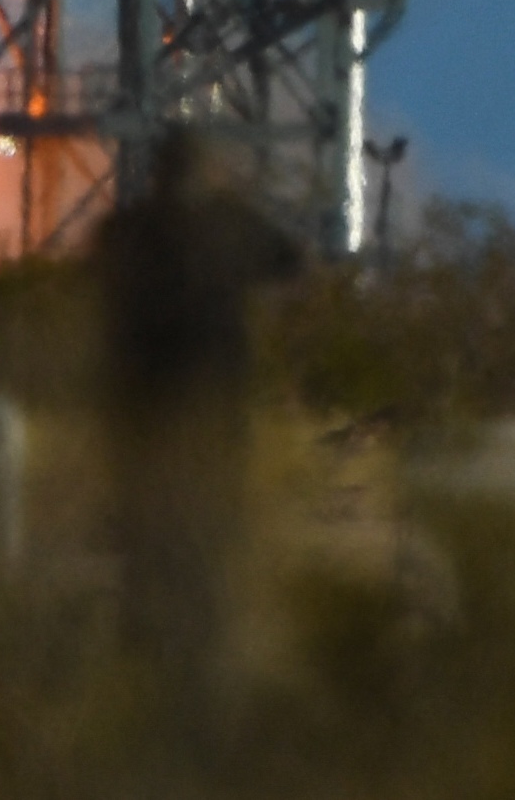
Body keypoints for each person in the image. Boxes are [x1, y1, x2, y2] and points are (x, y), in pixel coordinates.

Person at [92, 127, 302, 697]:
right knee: (209, 533)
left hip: (141, 410)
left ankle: (142, 651)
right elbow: (290, 261)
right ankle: (203, 650)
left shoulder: (123, 230)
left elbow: (94, 278)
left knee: (144, 534)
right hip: (213, 410)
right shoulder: (230, 226)